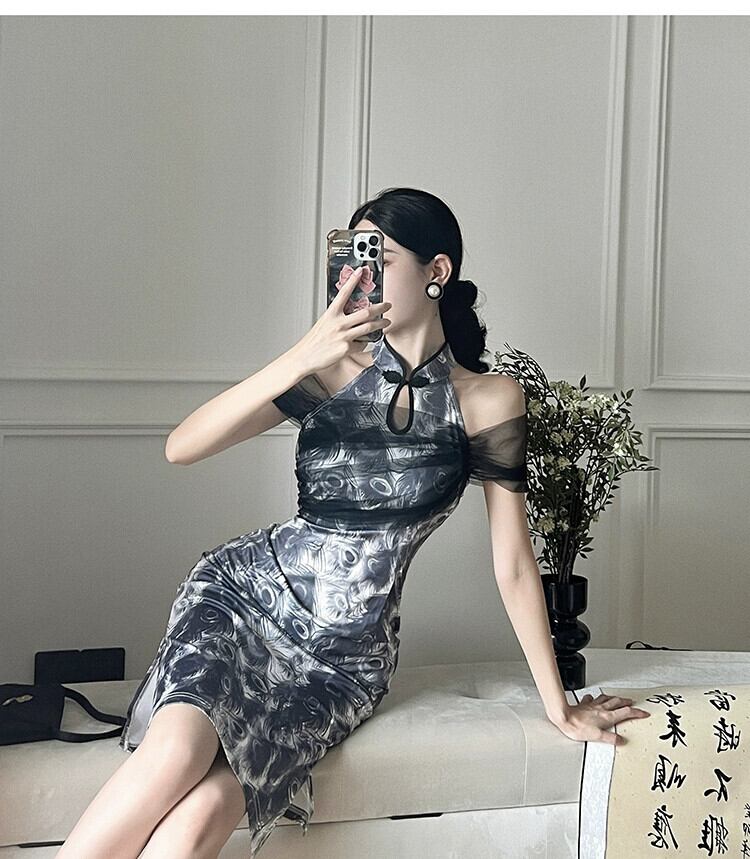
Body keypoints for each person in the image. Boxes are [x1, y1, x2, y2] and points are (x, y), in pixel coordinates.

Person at [57, 187, 651, 859]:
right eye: (353, 260)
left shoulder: (488, 400)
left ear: (437, 271)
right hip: (244, 600)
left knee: (205, 816)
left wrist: (558, 703)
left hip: (344, 658)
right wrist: (304, 352)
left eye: (380, 259)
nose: (360, 277)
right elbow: (182, 446)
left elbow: (513, 561)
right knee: (175, 756)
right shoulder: (330, 368)